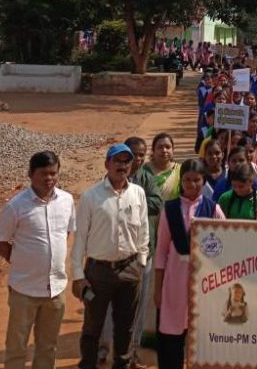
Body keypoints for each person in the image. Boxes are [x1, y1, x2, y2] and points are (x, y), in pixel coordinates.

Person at [0, 151, 75, 369]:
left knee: (48, 346)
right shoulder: (16, 206)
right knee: (17, 347)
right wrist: (22, 261)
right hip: (24, 290)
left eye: (53, 173)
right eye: (43, 174)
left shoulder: (66, 201)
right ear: (30, 174)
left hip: (55, 290)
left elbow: (65, 233)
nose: (49, 178)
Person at [72, 144, 150, 369]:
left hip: (130, 270)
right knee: (92, 327)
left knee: (125, 326)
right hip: (98, 272)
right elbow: (80, 238)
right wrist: (78, 276)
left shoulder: (138, 193)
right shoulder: (91, 196)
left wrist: (141, 261)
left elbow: (144, 230)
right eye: (117, 161)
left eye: (127, 161)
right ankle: (88, 364)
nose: (122, 166)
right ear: (107, 164)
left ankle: (122, 365)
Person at [154, 160, 225, 369]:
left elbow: (225, 244)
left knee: (201, 336)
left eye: (196, 180)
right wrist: (158, 289)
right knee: (172, 335)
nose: (191, 185)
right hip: (174, 282)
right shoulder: (170, 209)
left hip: (205, 284)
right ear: (181, 180)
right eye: (187, 180)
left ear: (203, 181)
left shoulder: (213, 209)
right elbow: (161, 251)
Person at [98, 137, 163, 369]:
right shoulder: (108, 182)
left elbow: (157, 203)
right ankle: (103, 350)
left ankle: (132, 353)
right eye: (134, 154)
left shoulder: (147, 179)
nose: (137, 159)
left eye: (142, 155)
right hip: (112, 255)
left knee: (138, 308)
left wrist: (135, 201)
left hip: (141, 253)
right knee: (108, 307)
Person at [143, 133, 181, 201]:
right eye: (160, 147)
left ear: (173, 150)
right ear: (153, 151)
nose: (164, 150)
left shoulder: (180, 170)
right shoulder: (143, 170)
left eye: (168, 147)